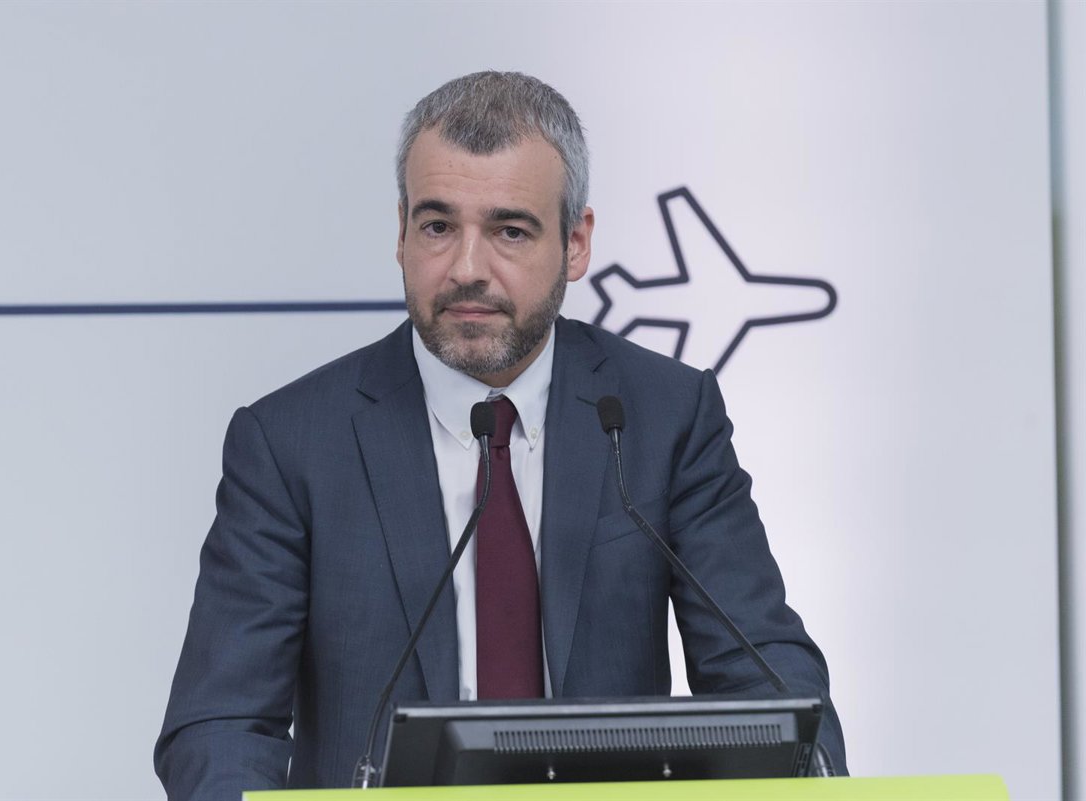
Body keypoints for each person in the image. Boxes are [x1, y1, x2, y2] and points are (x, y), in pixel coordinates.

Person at [154, 71, 846, 799]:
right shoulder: (290, 442)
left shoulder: (664, 414)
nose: (466, 269)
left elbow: (762, 673)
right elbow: (222, 724)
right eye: (437, 226)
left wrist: (814, 777)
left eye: (509, 231)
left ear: (575, 243)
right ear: (401, 233)